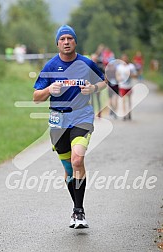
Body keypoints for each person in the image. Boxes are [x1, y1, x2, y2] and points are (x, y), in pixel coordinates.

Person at [33, 25, 107, 229]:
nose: (66, 42)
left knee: (77, 160)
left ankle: (79, 210)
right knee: (68, 169)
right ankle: (77, 209)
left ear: (75, 42)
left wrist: (93, 87)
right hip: (58, 122)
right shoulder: (50, 66)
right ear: (57, 43)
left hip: (82, 117)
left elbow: (103, 81)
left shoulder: (86, 63)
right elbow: (36, 97)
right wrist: (48, 89)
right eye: (62, 39)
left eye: (70, 38)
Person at [116, 54, 137, 120]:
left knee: (129, 100)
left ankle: (129, 113)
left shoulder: (131, 66)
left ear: (127, 58)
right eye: (123, 58)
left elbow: (135, 75)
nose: (125, 60)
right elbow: (117, 75)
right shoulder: (119, 67)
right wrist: (118, 78)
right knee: (124, 100)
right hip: (122, 86)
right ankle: (125, 114)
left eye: (126, 58)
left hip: (129, 85)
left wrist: (130, 74)